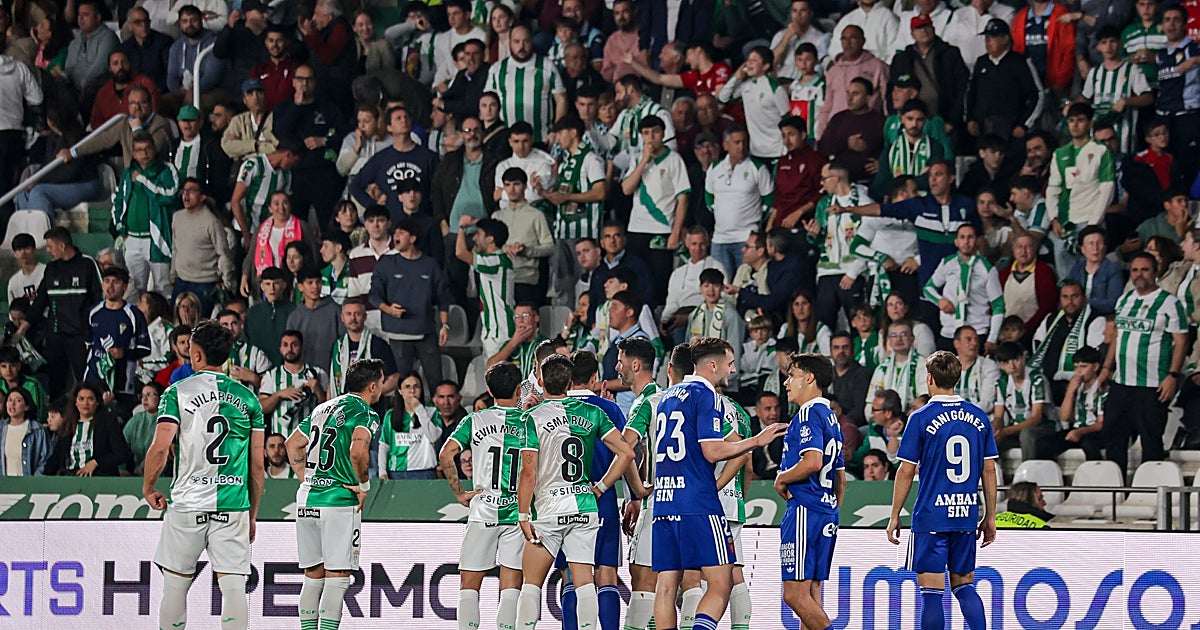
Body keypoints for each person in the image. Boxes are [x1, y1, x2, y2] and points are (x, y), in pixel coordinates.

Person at [650, 337, 786, 630]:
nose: (734, 370)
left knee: (665, 586)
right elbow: (712, 450)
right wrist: (756, 441)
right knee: (721, 582)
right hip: (697, 502)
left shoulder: (667, 397)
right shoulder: (708, 396)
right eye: (730, 363)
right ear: (713, 365)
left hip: (663, 502)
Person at [142, 320, 265, 630]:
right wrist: (252, 513)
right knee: (234, 586)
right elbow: (257, 467)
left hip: (187, 502)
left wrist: (148, 486)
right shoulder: (249, 399)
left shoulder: (177, 393)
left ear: (196, 355)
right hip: (232, 503)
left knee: (176, 584)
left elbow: (160, 447)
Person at [513, 354, 634, 629]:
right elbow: (627, 452)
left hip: (548, 509)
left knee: (531, 584)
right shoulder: (594, 413)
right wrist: (602, 486)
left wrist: (522, 515)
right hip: (585, 506)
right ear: (569, 382)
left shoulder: (532, 417)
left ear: (540, 381)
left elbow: (528, 472)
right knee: (585, 584)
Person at [888, 351, 997, 630]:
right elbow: (988, 470)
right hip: (965, 514)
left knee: (932, 594)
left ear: (929, 378)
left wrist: (895, 514)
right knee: (964, 586)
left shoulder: (921, 417)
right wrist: (990, 516)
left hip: (932, 515)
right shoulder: (979, 417)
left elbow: (906, 470)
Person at [285, 358, 385, 630]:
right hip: (338, 501)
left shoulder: (322, 408)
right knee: (337, 577)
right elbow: (357, 451)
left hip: (307, 499)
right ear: (373, 386)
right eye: (382, 383)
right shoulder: (366, 413)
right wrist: (363, 485)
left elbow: (292, 444)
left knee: (312, 576)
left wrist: (307, 479)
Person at [438, 361, 526, 630]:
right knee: (511, 585)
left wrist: (459, 492)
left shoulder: (475, 420)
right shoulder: (529, 421)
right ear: (520, 389)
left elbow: (445, 454)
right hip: (518, 511)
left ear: (488, 389)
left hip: (484, 508)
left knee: (469, 584)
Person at [1101, 253, 1188, 476]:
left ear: (1155, 271)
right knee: (1114, 438)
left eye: (1145, 270)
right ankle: (1116, 489)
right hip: (1121, 384)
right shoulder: (1124, 299)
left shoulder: (1169, 302)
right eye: (1135, 270)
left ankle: (1151, 492)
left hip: (1151, 386)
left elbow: (1180, 342)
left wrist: (1173, 375)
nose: (1140, 275)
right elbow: (1117, 337)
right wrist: (1106, 368)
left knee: (1151, 441)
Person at [778, 352, 845, 630]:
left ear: (810, 378)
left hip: (805, 509)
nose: (786, 382)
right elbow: (841, 477)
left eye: (792, 375)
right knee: (811, 594)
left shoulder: (808, 412)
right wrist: (831, 509)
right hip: (825, 512)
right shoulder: (830, 416)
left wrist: (782, 478)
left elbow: (813, 461)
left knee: (794, 595)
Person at [368, 219, 452, 385]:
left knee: (436, 380)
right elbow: (374, 295)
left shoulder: (430, 265)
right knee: (402, 383)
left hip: (426, 332)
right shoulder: (386, 264)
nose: (395, 236)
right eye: (394, 233)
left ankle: (436, 411)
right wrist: (388, 309)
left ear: (413, 238)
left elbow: (442, 297)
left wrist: (444, 325)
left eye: (400, 233)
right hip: (397, 334)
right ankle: (402, 412)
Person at [19, 228, 102, 397]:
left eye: (50, 247)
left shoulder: (87, 264)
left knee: (85, 379)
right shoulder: (51, 268)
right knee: (56, 382)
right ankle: (56, 417)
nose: (48, 251)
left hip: (80, 336)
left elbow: (98, 300)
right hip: (56, 336)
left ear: (62, 246)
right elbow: (40, 302)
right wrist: (22, 329)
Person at [619, 114, 687, 307]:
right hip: (636, 229)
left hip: (662, 230)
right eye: (647, 133)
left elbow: (683, 199)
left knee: (658, 283)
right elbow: (626, 189)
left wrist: (675, 232)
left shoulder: (674, 160)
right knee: (635, 282)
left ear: (663, 134)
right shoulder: (638, 159)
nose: (651, 137)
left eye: (655, 132)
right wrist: (644, 161)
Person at [272, 64, 348, 228]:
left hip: (324, 174)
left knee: (328, 225)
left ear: (315, 82)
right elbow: (280, 133)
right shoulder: (283, 108)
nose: (304, 84)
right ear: (293, 82)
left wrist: (324, 141)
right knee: (296, 226)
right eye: (300, 79)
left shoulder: (328, 108)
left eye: (308, 79)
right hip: (295, 174)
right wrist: (296, 106)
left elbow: (343, 135)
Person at [1046, 103, 1115, 275]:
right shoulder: (1060, 154)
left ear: (1090, 123)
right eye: (1071, 121)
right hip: (1064, 222)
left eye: (1080, 120)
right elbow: (1053, 188)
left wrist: (1093, 224)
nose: (1075, 125)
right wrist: (1053, 217)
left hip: (1090, 220)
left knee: (1092, 272)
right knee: (1066, 276)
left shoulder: (1101, 150)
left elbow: (1107, 188)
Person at [808, 162, 870, 330]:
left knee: (858, 324)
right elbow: (821, 240)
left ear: (835, 179)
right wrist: (814, 235)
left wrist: (854, 272)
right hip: (827, 271)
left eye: (824, 179)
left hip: (853, 272)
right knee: (823, 323)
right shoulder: (824, 203)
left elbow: (870, 239)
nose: (821, 183)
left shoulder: (863, 200)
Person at [349, 106, 440, 221]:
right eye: (398, 118)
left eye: (406, 117)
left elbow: (439, 191)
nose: (404, 121)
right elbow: (355, 186)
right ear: (389, 127)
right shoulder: (381, 159)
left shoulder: (428, 157)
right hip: (391, 225)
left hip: (423, 223)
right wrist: (374, 207)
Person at [705, 127, 774, 276]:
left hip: (746, 238)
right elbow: (708, 196)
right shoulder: (715, 168)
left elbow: (769, 198)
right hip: (720, 239)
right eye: (736, 142)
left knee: (746, 282)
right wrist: (719, 211)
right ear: (725, 145)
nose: (741, 146)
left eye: (744, 142)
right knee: (720, 284)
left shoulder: (758, 168)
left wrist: (758, 216)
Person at [963, 19, 1045, 142]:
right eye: (986, 37)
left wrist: (1024, 124)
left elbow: (1037, 94)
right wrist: (970, 119)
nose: (987, 41)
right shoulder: (981, 62)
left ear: (1005, 39)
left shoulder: (1020, 62)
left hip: (1011, 131)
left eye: (993, 37)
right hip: (983, 130)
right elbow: (971, 93)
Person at [83, 266, 150, 412]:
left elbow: (145, 348)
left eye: (115, 282)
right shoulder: (93, 312)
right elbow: (88, 345)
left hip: (122, 382)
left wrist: (124, 353)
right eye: (107, 281)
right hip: (94, 379)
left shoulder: (134, 314)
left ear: (125, 287)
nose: (110, 286)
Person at [485, 24, 566, 142]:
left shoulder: (547, 65)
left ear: (532, 41)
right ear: (509, 42)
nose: (521, 46)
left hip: (541, 139)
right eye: (517, 41)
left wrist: (556, 131)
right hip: (506, 141)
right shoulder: (497, 69)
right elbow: (487, 103)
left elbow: (561, 99)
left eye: (526, 41)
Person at [171, 178, 237, 313]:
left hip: (204, 283)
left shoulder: (212, 222)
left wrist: (227, 282)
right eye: (184, 191)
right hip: (181, 281)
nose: (186, 195)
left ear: (202, 197)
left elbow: (224, 254)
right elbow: (175, 247)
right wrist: (173, 273)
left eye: (191, 191)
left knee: (201, 326)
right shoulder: (177, 217)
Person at [493, 167, 556, 305]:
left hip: (526, 279)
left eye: (516, 184)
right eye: (507, 185)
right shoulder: (497, 216)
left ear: (525, 186)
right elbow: (489, 247)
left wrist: (527, 250)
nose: (512, 189)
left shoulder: (536, 215)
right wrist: (503, 248)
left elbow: (550, 247)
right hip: (501, 279)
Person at [1038, 346, 1106, 461]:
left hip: (1095, 431)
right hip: (1077, 429)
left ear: (1095, 367)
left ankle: (1095, 476)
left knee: (1089, 444)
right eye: (1076, 367)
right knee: (1043, 444)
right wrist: (1070, 392)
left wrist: (1080, 431)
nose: (1079, 372)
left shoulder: (1102, 388)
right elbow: (1065, 417)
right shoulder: (1076, 387)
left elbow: (1101, 423)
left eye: (1084, 367)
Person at [259, 330, 330, 436]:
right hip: (281, 441)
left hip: (309, 438)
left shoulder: (318, 373)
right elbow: (262, 408)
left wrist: (318, 390)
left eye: (294, 345)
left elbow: (329, 408)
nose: (290, 349)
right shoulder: (271, 376)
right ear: (280, 348)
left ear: (302, 347)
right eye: (285, 345)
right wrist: (279, 394)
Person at [992, 341, 1054, 461]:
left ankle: (1028, 474)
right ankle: (991, 476)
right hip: (1015, 429)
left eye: (1015, 360)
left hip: (1043, 427)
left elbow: (1037, 418)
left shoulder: (1037, 379)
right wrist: (994, 430)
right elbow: (998, 416)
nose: (1012, 366)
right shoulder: (1002, 383)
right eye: (1006, 362)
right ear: (1000, 365)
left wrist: (1005, 431)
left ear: (1023, 358)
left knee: (1027, 434)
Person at [330, 300, 398, 398]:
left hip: (370, 408)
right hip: (343, 407)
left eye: (357, 314)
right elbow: (333, 381)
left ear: (365, 317)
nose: (353, 318)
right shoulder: (337, 346)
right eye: (348, 314)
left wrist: (371, 395)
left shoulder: (378, 344)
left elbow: (394, 378)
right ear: (342, 317)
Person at [286, 267, 345, 369]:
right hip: (303, 374)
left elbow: (343, 342)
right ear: (300, 287)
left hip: (331, 371)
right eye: (310, 283)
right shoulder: (295, 316)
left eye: (318, 282)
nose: (315, 286)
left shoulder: (335, 310)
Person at [1066, 225, 1125, 315]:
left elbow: (1113, 303)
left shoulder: (1113, 270)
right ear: (1082, 249)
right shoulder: (1076, 269)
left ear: (1105, 247)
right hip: (1077, 315)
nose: (1095, 248)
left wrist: (1082, 302)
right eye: (1091, 243)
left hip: (1102, 317)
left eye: (1099, 243)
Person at [64, 0, 118, 91]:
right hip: (73, 91)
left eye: (85, 15)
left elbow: (100, 67)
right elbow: (69, 68)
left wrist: (82, 85)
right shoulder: (75, 41)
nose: (81, 18)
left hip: (94, 90)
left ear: (98, 17)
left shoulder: (108, 37)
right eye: (79, 14)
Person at [770, 0, 830, 80]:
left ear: (810, 14)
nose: (798, 15)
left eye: (803, 10)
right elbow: (770, 63)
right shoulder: (780, 35)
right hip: (779, 83)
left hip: (803, 85)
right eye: (794, 11)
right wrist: (786, 38)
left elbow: (818, 71)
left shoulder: (820, 38)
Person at [0, 388, 51, 476]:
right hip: (5, 486)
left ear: (27, 406)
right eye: (10, 400)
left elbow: (46, 458)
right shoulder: (1, 428)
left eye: (18, 400)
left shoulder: (37, 430)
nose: (12, 404)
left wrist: (34, 481)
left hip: (29, 486)